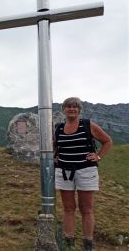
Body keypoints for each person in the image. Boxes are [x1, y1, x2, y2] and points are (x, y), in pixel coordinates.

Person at [54, 97, 112, 251]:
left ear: (79, 110)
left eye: (75, 107)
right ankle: (69, 242)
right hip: (64, 171)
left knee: (86, 208)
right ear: (63, 110)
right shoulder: (58, 128)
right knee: (68, 208)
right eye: (68, 106)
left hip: (86, 170)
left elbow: (107, 141)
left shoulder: (88, 125)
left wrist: (98, 156)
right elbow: (55, 146)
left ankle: (88, 242)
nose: (72, 109)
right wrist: (55, 156)